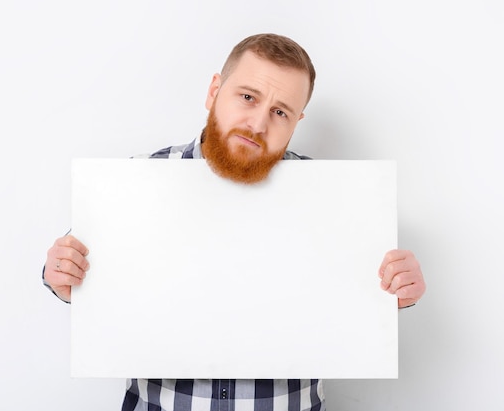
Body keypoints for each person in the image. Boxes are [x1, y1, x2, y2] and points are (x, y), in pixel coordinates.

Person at [42, 33, 426, 411]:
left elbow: (355, 298)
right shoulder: (138, 181)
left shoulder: (336, 201)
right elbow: (72, 275)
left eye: (280, 112)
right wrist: (61, 274)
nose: (258, 124)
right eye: (248, 97)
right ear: (214, 91)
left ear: (297, 121)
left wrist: (395, 292)